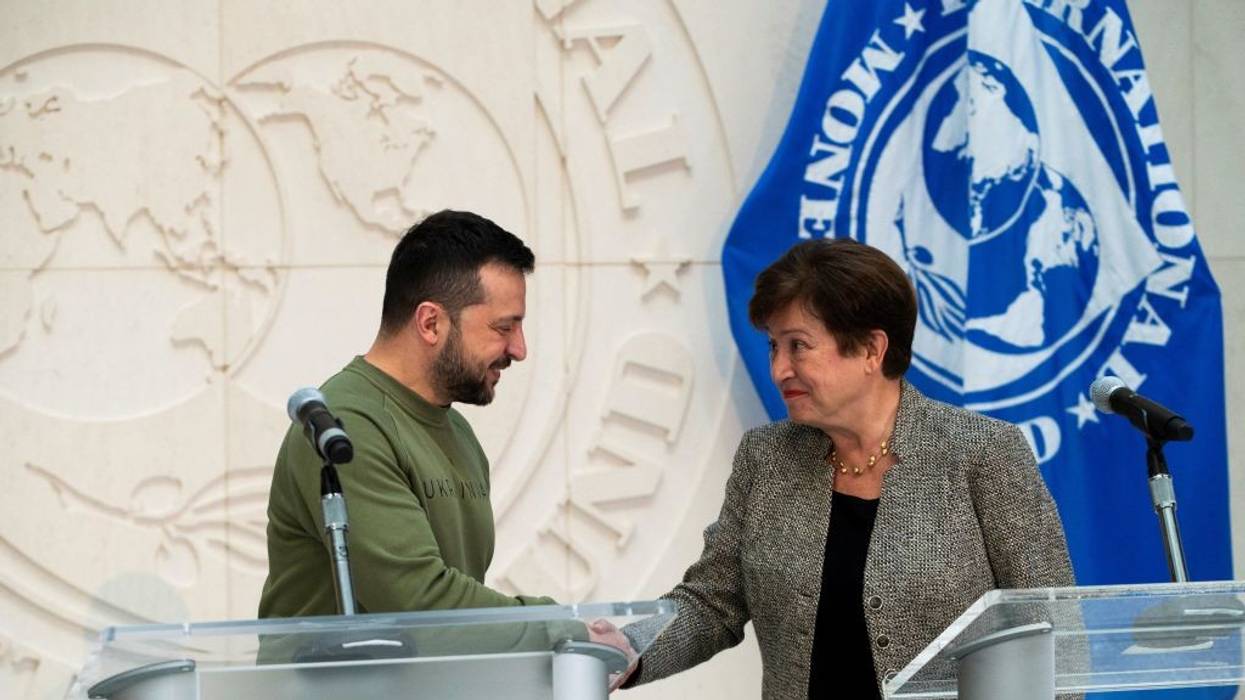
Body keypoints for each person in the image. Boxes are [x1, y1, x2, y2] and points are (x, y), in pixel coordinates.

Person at [621, 238, 1075, 699]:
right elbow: (713, 603)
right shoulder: (766, 457)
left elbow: (1054, 634)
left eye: (798, 346)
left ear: (871, 349)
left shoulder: (983, 452)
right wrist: (624, 649)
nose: (779, 369)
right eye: (773, 346)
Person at [258, 210, 554, 617]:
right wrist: (559, 628)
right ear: (430, 322)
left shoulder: (458, 432)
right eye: (504, 328)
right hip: (337, 684)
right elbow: (418, 601)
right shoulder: (348, 427)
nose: (520, 350)